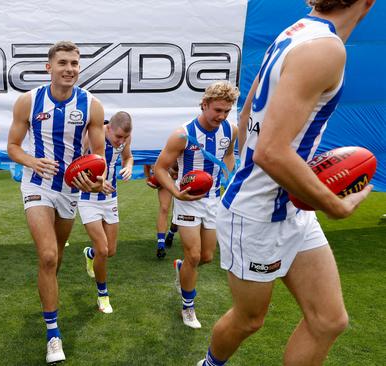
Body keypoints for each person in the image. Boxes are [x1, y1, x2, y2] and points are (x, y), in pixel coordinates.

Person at [198, 1, 374, 365]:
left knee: (329, 320)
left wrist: (241, 158)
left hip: (290, 205)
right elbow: (272, 153)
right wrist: (335, 204)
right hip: (257, 213)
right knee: (250, 320)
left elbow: (248, 110)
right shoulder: (325, 48)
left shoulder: (297, 31)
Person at [7, 41, 105, 364]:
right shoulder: (28, 101)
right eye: (63, 63)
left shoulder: (92, 105)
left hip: (69, 190)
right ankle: (53, 335)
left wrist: (94, 178)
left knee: (56, 257)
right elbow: (12, 147)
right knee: (47, 255)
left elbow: (99, 157)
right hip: (36, 185)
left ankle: (47, 290)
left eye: (75, 63)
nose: (70, 69)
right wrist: (32, 162)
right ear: (49, 67)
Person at [155, 81, 239, 329]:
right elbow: (160, 169)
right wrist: (176, 194)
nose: (221, 116)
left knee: (206, 257)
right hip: (188, 201)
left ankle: (181, 268)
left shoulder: (231, 130)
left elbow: (229, 155)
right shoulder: (182, 134)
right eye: (217, 110)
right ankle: (188, 307)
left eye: (226, 111)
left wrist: (227, 178)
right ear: (204, 105)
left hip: (214, 201)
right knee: (193, 254)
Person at [79, 112, 133, 314]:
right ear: (108, 127)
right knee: (102, 249)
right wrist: (97, 183)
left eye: (125, 138)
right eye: (118, 137)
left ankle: (89, 254)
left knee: (110, 251)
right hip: (87, 197)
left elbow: (128, 157)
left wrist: (128, 166)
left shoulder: (124, 138)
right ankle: (103, 295)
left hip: (110, 198)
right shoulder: (92, 135)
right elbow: (77, 165)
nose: (121, 141)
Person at [143, 164, 179, 258]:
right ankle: (161, 245)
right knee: (164, 208)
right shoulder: (154, 150)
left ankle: (171, 233)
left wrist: (174, 171)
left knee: (179, 212)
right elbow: (147, 161)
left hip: (183, 176)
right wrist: (149, 177)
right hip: (166, 177)